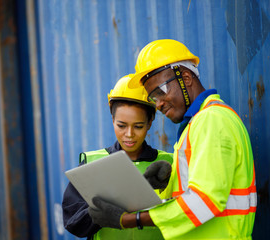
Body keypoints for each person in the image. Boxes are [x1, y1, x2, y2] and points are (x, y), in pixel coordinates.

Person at [88, 39, 257, 239]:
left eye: (161, 92)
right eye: (153, 97)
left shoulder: (212, 120)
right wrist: (164, 185)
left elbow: (204, 201)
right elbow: (193, 195)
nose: (158, 104)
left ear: (186, 77)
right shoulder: (194, 125)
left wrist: (129, 220)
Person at [62, 74, 173, 240]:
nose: (129, 134)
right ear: (112, 119)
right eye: (121, 125)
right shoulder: (91, 164)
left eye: (138, 126)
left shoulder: (170, 164)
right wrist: (101, 212)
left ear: (150, 122)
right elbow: (74, 224)